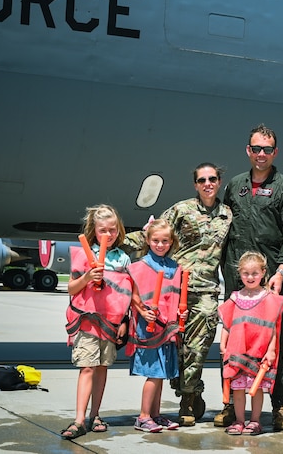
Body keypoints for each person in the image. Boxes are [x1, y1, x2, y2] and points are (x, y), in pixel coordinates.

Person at [123, 162, 232, 426]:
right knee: (175, 349)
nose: (208, 183)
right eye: (202, 180)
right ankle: (186, 387)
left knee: (197, 349)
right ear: (196, 184)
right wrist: (114, 242)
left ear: (219, 182)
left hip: (205, 290)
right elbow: (154, 234)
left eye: (213, 179)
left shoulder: (228, 214)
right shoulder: (181, 210)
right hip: (174, 288)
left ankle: (188, 398)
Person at [218, 123, 283, 431]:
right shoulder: (236, 185)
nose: (261, 154)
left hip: (270, 281)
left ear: (275, 152)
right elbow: (222, 227)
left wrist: (281, 271)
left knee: (274, 343)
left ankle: (279, 405)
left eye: (267, 149)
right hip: (236, 278)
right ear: (248, 151)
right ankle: (229, 404)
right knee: (232, 344)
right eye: (256, 148)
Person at [61, 204, 134, 440]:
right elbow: (71, 288)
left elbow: (125, 293)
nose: (108, 235)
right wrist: (87, 277)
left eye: (113, 230)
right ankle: (79, 419)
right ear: (94, 230)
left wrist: (125, 321)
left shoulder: (122, 258)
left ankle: (95, 414)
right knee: (87, 367)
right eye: (103, 230)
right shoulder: (85, 254)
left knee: (102, 367)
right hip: (87, 321)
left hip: (111, 324)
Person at [125, 218, 188, 433]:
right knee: (154, 372)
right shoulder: (139, 266)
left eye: (165, 241)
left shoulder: (174, 267)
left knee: (161, 374)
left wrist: (181, 313)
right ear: (148, 240)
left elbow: (176, 296)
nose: (160, 245)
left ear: (171, 242)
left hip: (167, 327)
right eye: (156, 241)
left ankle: (155, 414)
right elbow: (133, 295)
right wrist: (143, 311)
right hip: (149, 327)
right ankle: (143, 416)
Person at [218, 251, 283, 436]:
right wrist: (223, 343)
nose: (250, 277)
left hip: (259, 351)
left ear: (263, 272)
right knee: (238, 388)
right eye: (246, 273)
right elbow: (227, 323)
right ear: (239, 273)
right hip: (238, 350)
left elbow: (273, 327)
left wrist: (271, 350)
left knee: (257, 389)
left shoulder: (268, 298)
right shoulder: (234, 297)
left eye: (255, 273)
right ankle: (239, 420)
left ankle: (255, 421)